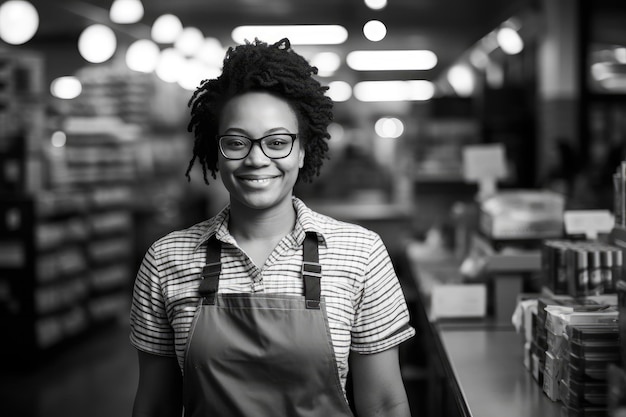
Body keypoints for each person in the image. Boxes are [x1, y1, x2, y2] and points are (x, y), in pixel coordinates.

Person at [129, 38, 415, 417]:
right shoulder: (167, 259)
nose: (257, 159)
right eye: (237, 142)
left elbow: (383, 404)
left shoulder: (361, 254)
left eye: (277, 142)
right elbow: (154, 404)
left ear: (302, 150)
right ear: (216, 150)